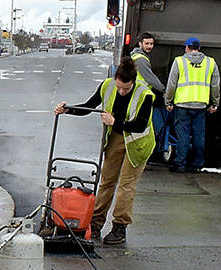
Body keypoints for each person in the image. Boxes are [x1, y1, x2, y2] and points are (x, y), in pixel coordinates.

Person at [55, 53, 155, 245]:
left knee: (126, 185)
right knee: (107, 182)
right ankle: (95, 223)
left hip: (138, 142)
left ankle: (119, 226)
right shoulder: (107, 85)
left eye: (126, 88)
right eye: (119, 87)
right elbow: (89, 106)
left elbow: (140, 125)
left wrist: (114, 121)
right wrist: (68, 109)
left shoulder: (145, 94)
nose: (121, 91)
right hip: (116, 138)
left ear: (133, 82)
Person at [164, 37, 219, 172]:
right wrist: (215, 103)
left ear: (186, 48)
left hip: (182, 105)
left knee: (183, 135)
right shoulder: (210, 62)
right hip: (201, 105)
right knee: (198, 136)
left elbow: (172, 84)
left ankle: (180, 164)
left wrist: (168, 101)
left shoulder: (179, 61)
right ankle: (197, 165)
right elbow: (215, 85)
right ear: (199, 48)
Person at [113, 31, 169, 159]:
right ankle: (143, 152)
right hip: (141, 95)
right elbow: (150, 78)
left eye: (151, 44)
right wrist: (164, 90)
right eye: (147, 43)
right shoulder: (141, 59)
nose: (149, 46)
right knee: (149, 125)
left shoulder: (136, 56)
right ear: (140, 44)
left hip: (137, 94)